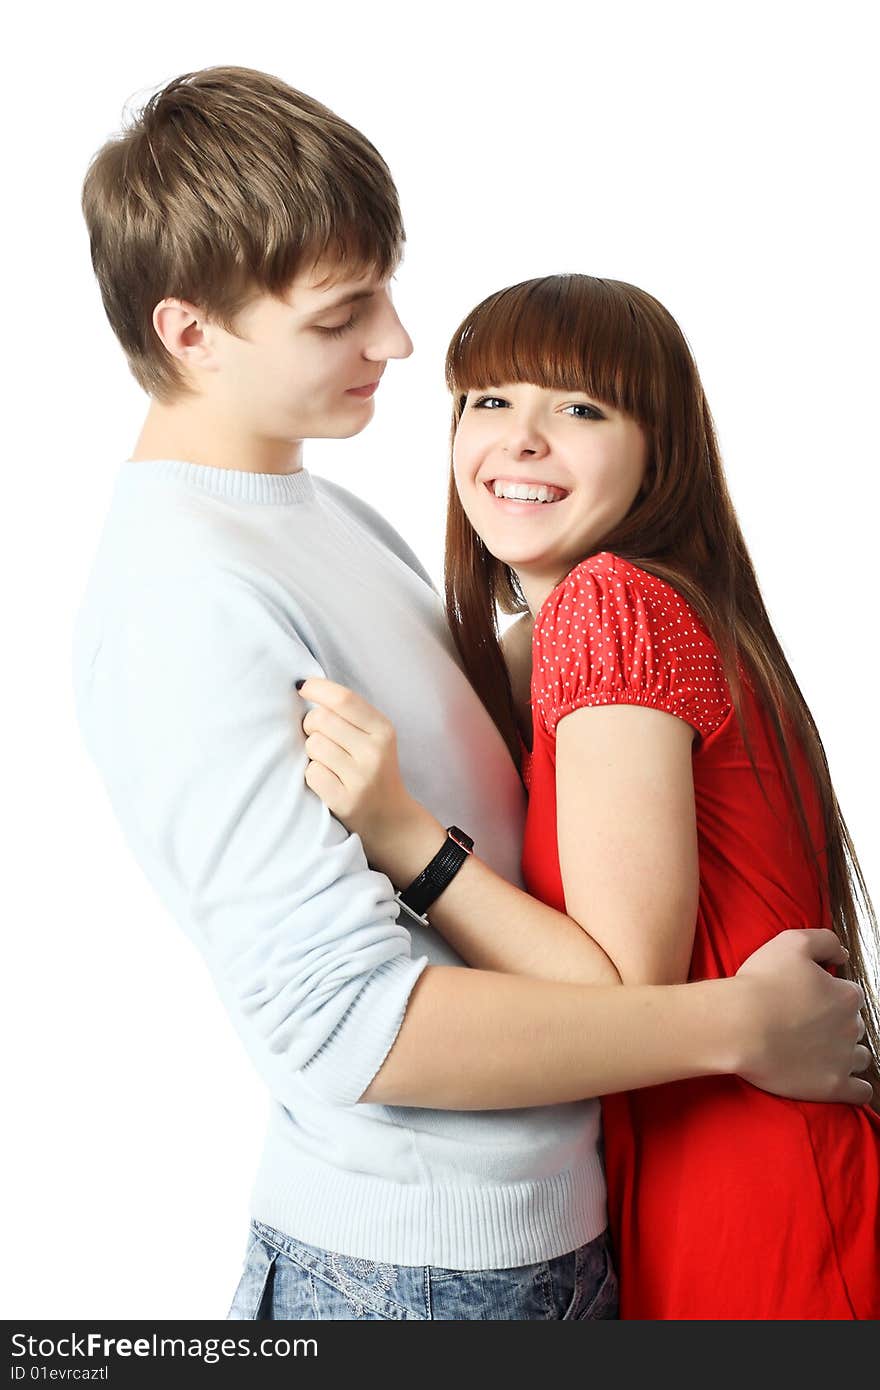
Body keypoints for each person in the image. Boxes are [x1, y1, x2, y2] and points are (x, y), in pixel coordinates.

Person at [73, 67, 869, 1323]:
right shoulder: (182, 598)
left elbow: (554, 733)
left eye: (386, 291)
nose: (396, 342)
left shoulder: (330, 518)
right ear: (191, 333)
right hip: (409, 1276)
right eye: (344, 313)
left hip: (563, 1237)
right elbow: (352, 1032)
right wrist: (732, 1025)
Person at [299, 273, 880, 1319]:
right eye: (488, 399)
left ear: (660, 449)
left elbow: (621, 987)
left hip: (750, 1193)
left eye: (579, 407)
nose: (521, 438)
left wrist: (403, 837)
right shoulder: (579, 626)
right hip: (701, 1178)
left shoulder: (612, 605)